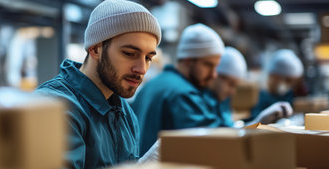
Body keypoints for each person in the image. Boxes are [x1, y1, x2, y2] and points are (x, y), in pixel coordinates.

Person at [35, 0, 161, 168]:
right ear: (95, 49)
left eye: (148, 58)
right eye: (130, 53)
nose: (142, 69)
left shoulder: (125, 113)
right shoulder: (53, 108)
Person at [132, 23, 225, 155]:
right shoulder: (184, 94)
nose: (214, 74)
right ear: (187, 60)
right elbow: (221, 143)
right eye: (208, 65)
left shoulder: (151, 85)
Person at [204, 47, 293, 127]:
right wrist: (258, 122)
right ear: (214, 75)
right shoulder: (203, 102)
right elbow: (221, 137)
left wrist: (259, 123)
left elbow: (229, 130)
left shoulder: (222, 101)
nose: (232, 92)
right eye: (230, 84)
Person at [249, 49, 303, 122]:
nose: (289, 85)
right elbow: (252, 122)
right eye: (287, 80)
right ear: (274, 76)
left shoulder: (288, 95)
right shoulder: (260, 95)